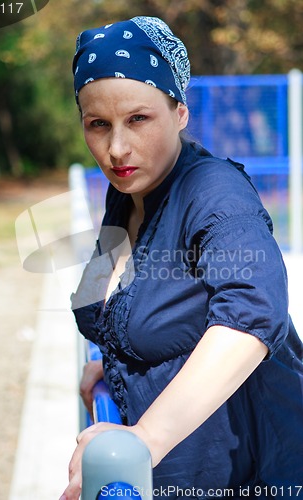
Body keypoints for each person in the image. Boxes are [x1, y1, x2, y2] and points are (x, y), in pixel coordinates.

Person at [60, 16, 303, 500]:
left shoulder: (216, 194)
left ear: (180, 112)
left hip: (251, 478)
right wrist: (111, 364)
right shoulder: (125, 194)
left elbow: (253, 316)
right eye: (98, 125)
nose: (116, 149)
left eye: (138, 119)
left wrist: (141, 443)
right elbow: (109, 303)